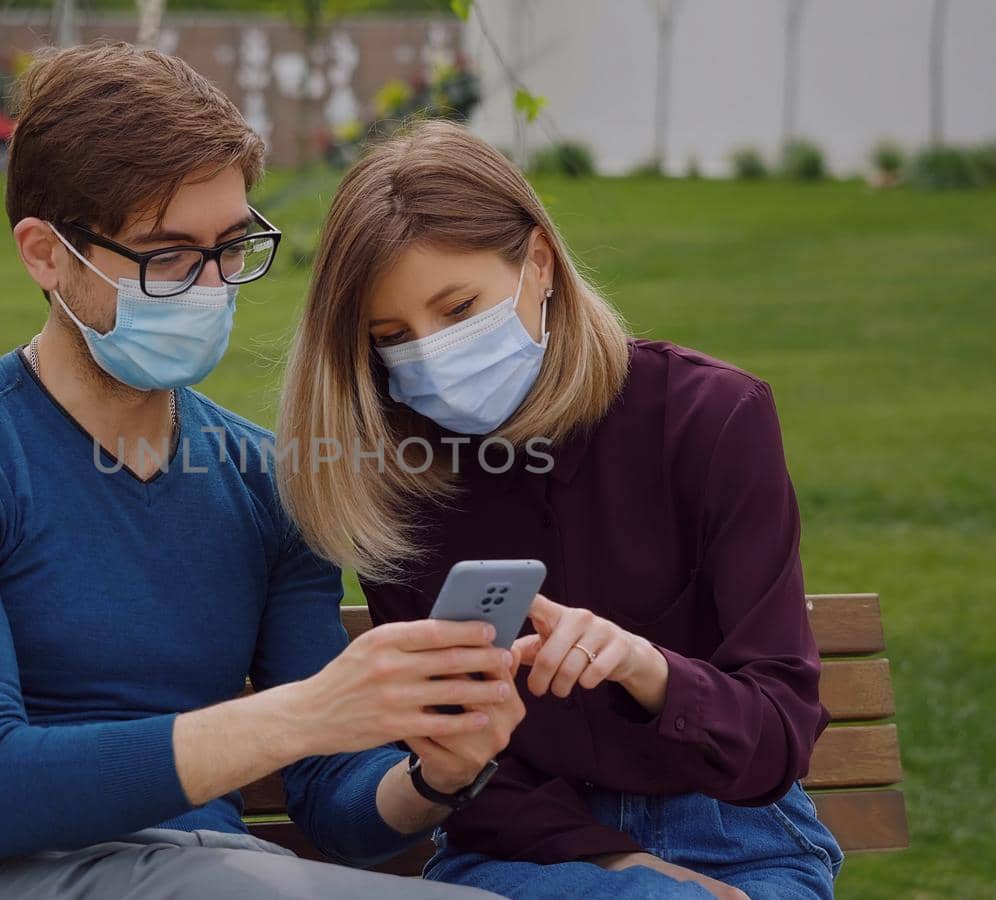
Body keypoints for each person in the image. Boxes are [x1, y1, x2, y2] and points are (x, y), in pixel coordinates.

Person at [0, 44, 525, 900]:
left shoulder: (263, 481)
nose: (209, 286)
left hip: (215, 871)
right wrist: (300, 715)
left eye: (232, 247)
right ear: (46, 255)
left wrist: (435, 777)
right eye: (167, 256)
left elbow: (334, 808)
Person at [275, 119, 845, 900]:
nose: (432, 357)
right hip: (521, 851)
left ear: (538, 263)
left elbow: (777, 732)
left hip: (734, 832)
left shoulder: (709, 418)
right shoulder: (395, 478)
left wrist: (646, 668)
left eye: (459, 308)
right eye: (392, 337)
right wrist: (619, 865)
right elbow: (462, 756)